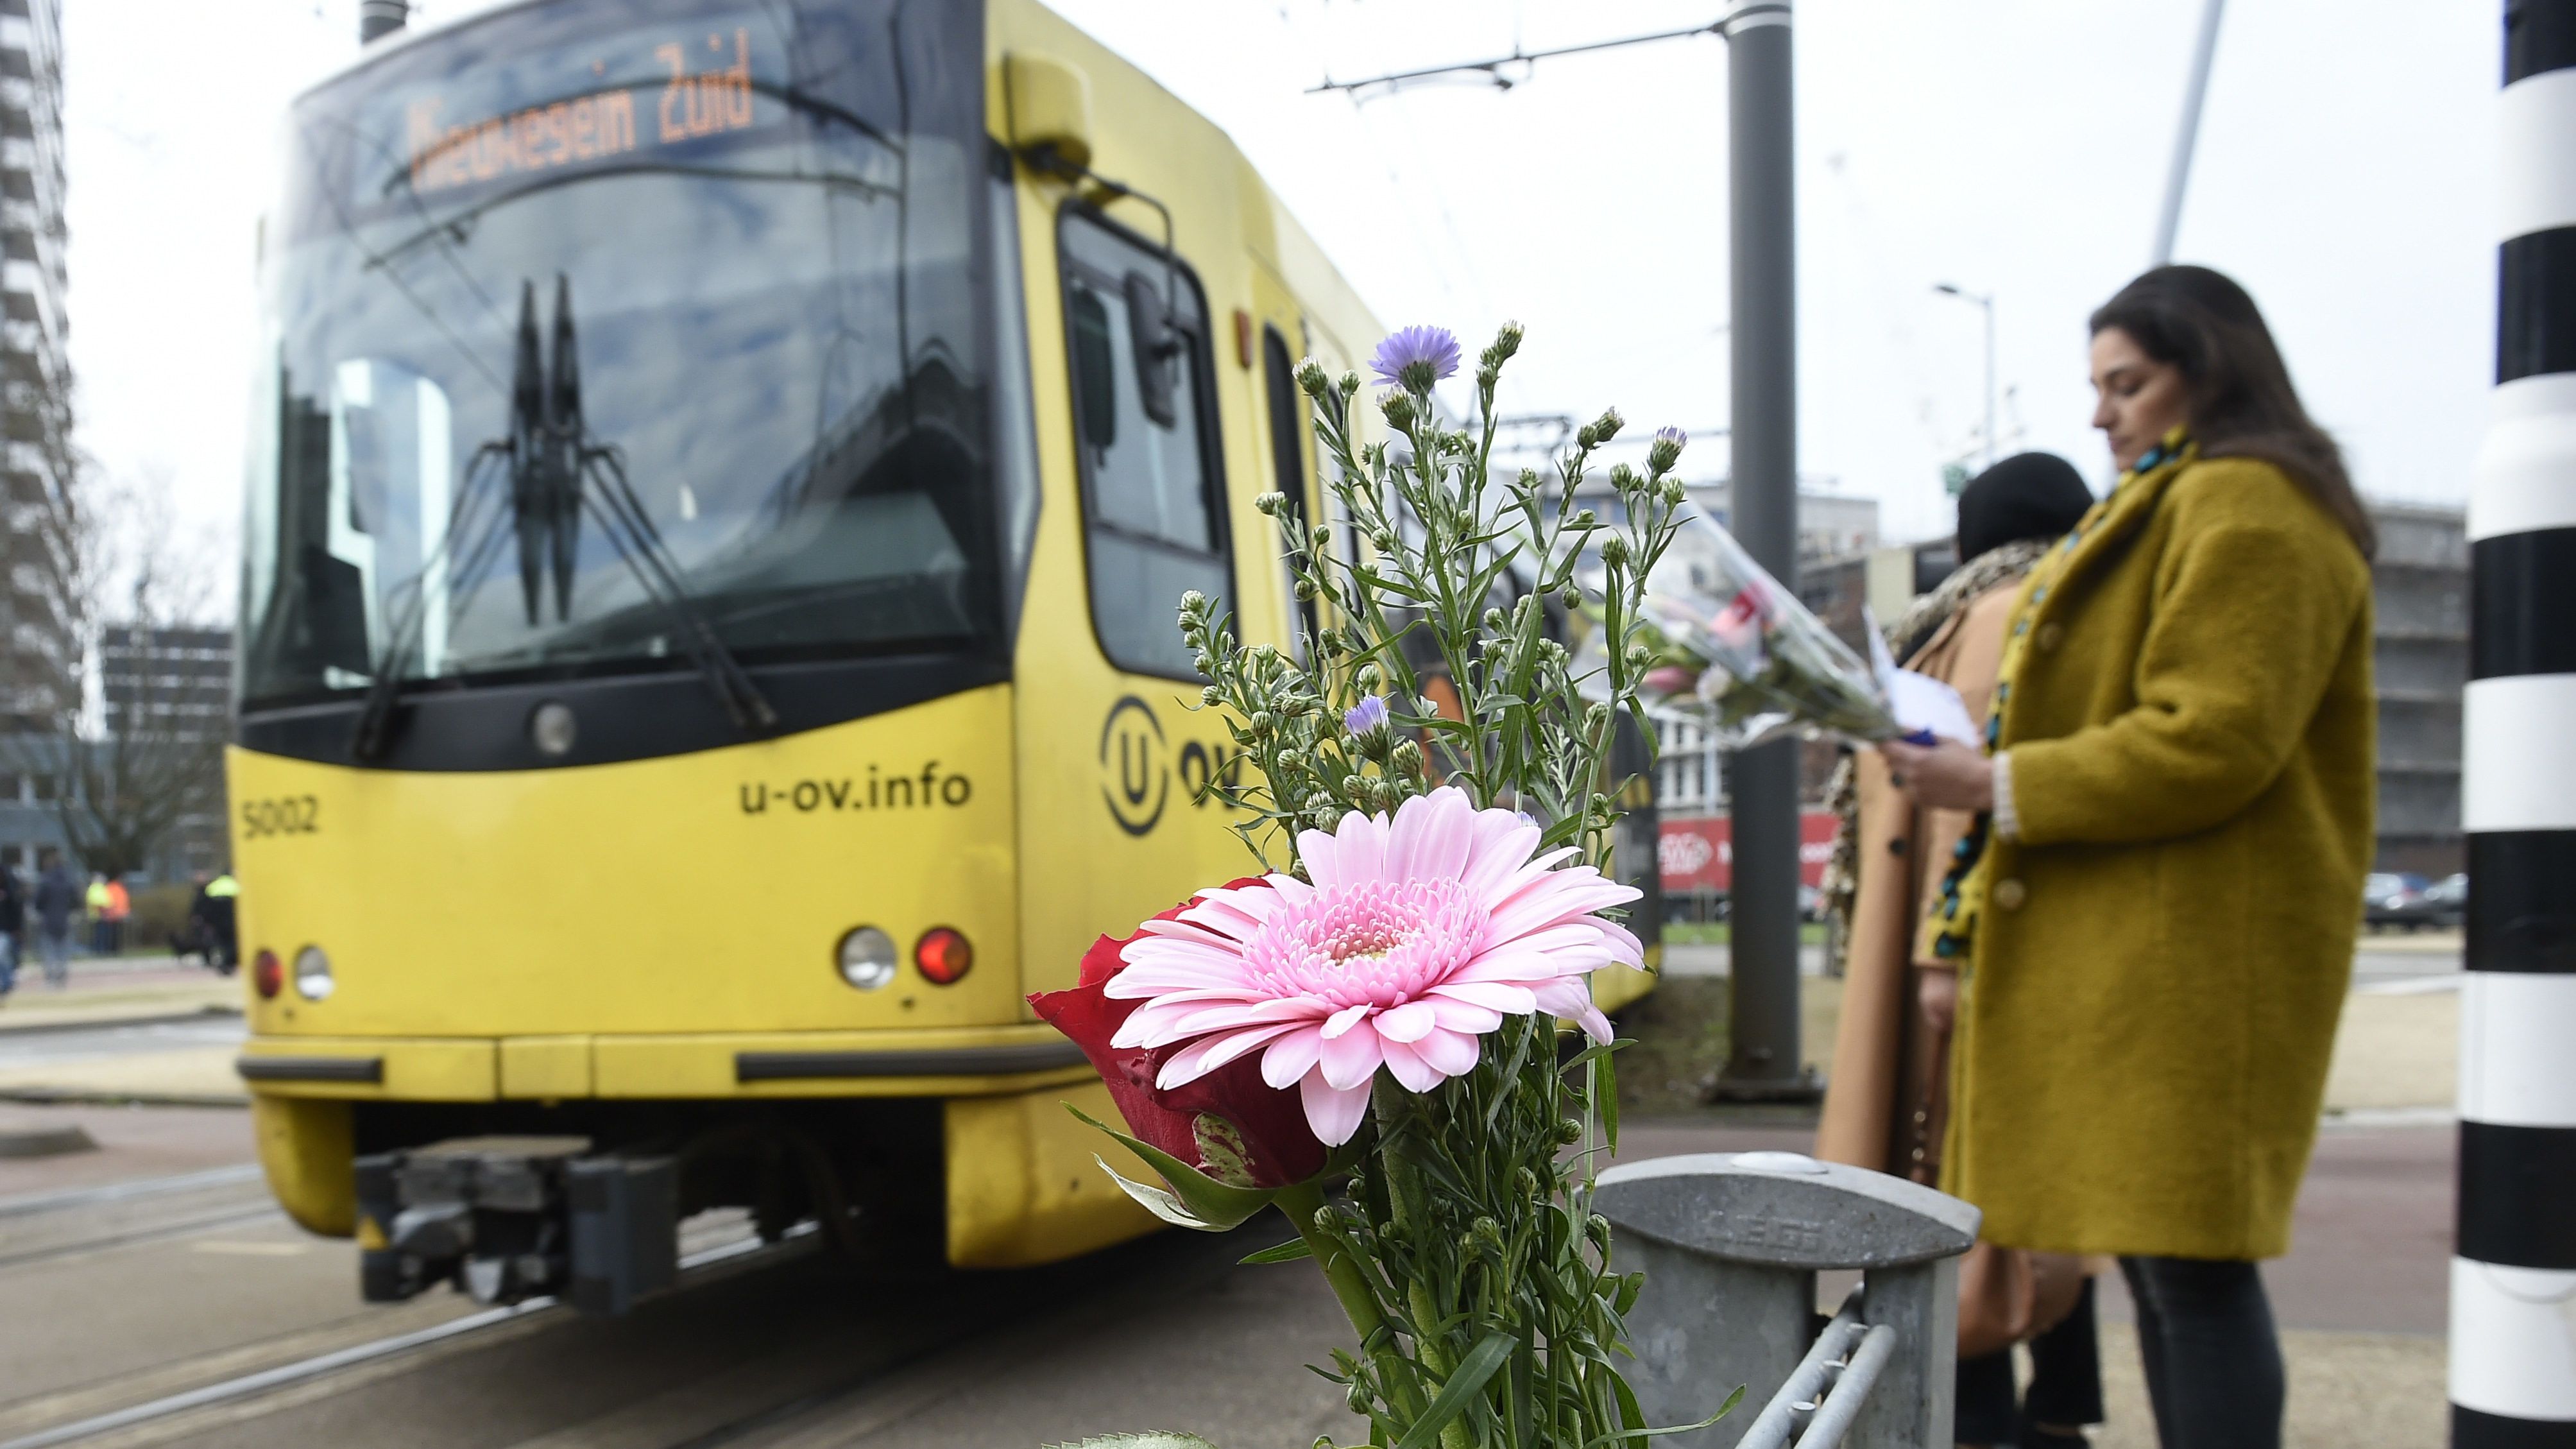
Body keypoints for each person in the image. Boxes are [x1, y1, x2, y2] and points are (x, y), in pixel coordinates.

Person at [1885, 265, 2376, 1449]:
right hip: (2170, 952)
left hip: (2196, 963)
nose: (2102, 413)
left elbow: (2214, 736)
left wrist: (1994, 782)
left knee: (2191, 1273)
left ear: (2210, 370)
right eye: (2098, 386)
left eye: (2129, 383)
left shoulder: (2247, 505)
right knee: (2172, 1270)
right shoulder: (2196, 500)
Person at [1816, 452, 2103, 1448]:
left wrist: (1938, 953)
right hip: (1986, 945)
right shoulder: (2035, 606)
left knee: (1956, 1184)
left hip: (1951, 950)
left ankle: (1979, 1416)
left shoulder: (1960, 616)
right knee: (2014, 1187)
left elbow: (1956, 807)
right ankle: (2053, 1409)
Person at [33, 851, 78, 988]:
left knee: (49, 950)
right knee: (63, 950)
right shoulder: (69, 881)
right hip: (65, 920)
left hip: (48, 920)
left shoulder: (46, 881)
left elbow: (38, 902)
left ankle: (51, 978)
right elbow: (76, 900)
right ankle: (61, 977)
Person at [0, 859, 22, 1000]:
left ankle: (6, 983)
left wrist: (17, 928)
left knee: (4, 955)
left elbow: (15, 909)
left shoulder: (9, 891)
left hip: (5, 928)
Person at [83, 872, 109, 956]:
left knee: (102, 934)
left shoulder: (101, 888)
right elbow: (96, 901)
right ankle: (99, 951)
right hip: (98, 916)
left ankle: (102, 950)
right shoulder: (95, 888)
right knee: (99, 935)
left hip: (103, 915)